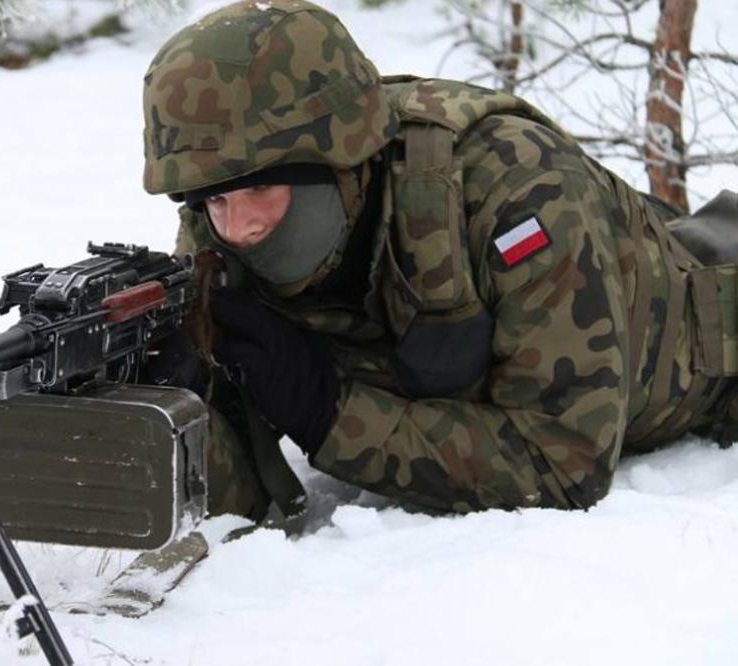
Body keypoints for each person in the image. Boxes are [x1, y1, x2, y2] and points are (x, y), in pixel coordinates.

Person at [141, 0, 738, 519]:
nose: (237, 228)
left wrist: (330, 413)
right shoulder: (219, 228)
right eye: (213, 199)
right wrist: (176, 411)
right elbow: (238, 493)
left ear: (343, 162)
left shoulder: (516, 184)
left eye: (260, 190)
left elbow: (563, 462)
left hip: (711, 353)